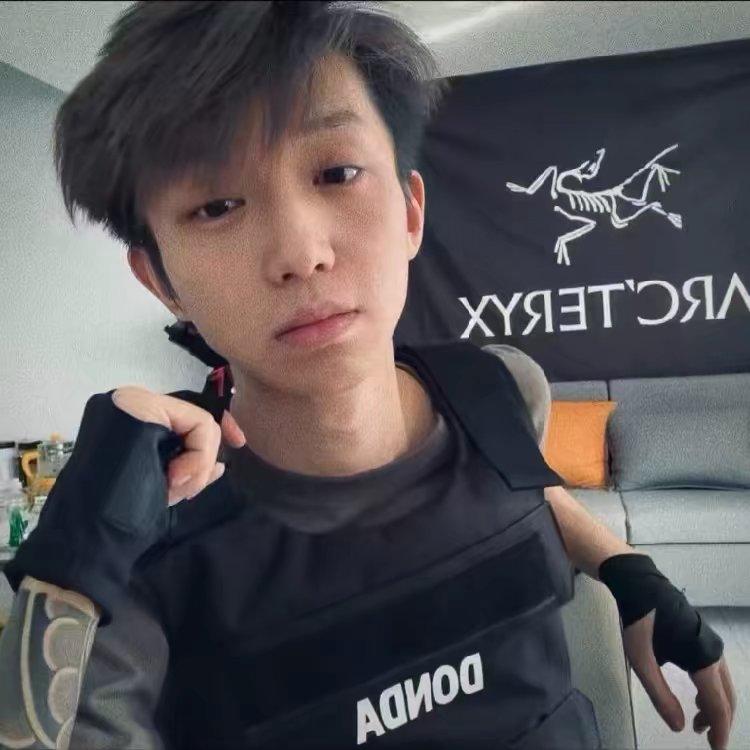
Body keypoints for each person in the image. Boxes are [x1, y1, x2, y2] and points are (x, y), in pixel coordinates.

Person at [0, 2, 735, 749]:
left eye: (338, 172)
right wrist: (66, 574)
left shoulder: (499, 385)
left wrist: (625, 566)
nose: (301, 252)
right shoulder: (145, 536)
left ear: (411, 212)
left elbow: (520, 485)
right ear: (162, 281)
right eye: (216, 206)